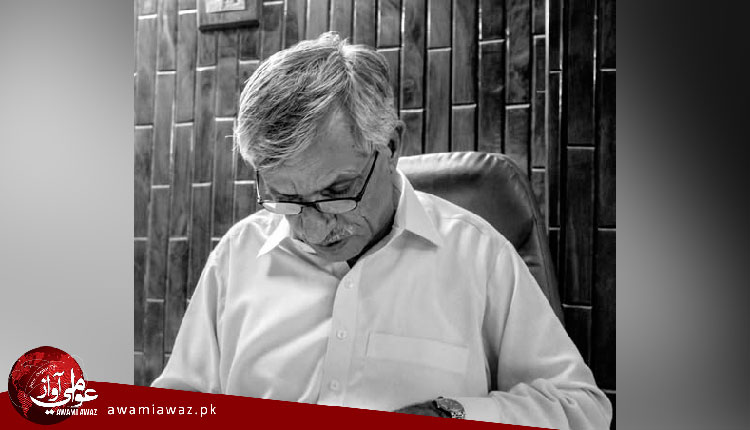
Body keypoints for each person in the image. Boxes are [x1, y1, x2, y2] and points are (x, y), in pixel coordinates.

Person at [152, 32, 612, 429]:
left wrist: (451, 414)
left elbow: (581, 408)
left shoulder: (478, 256)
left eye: (338, 191)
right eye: (286, 198)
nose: (314, 228)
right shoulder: (238, 256)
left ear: (390, 145)